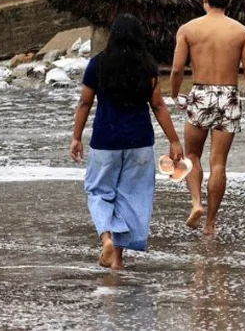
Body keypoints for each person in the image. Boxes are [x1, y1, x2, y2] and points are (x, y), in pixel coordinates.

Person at [71, 14, 185, 270]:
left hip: (105, 141)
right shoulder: (147, 66)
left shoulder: (98, 64)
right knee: (131, 197)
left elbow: (85, 102)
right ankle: (118, 260)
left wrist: (76, 137)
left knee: (99, 192)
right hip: (139, 142)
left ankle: (107, 239)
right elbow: (158, 105)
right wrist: (174, 140)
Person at [169, 0, 245, 237]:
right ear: (228, 2)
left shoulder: (188, 30)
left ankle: (196, 203)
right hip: (229, 96)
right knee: (219, 163)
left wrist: (175, 94)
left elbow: (177, 69)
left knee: (192, 155)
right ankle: (210, 223)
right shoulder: (242, 32)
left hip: (201, 94)